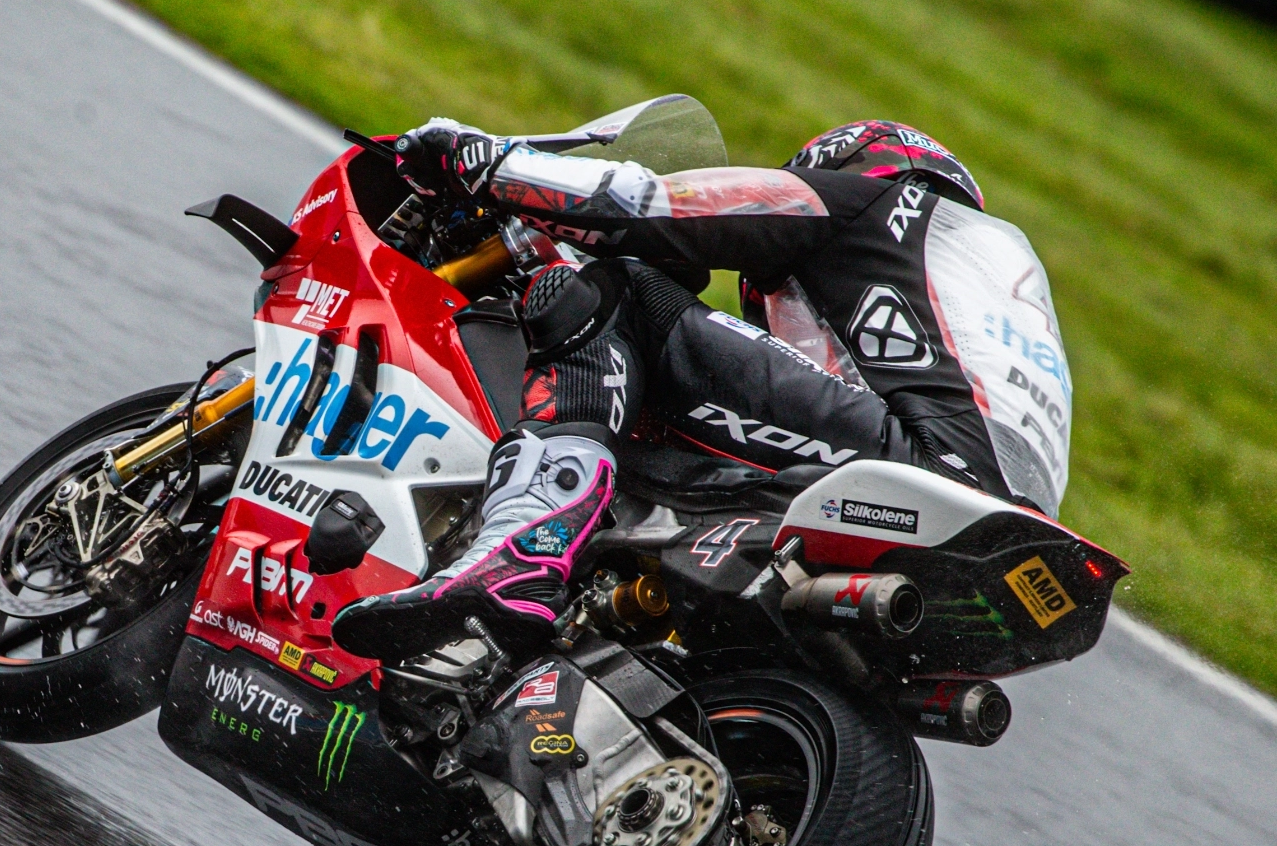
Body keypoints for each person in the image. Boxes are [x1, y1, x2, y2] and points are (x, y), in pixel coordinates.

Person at [332, 118, 1073, 663]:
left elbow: (651, 205)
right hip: (1008, 544)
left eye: (773, 293)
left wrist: (487, 160)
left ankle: (531, 536)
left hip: (919, 468)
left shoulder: (867, 206)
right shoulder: (999, 281)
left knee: (609, 292)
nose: (769, 311)